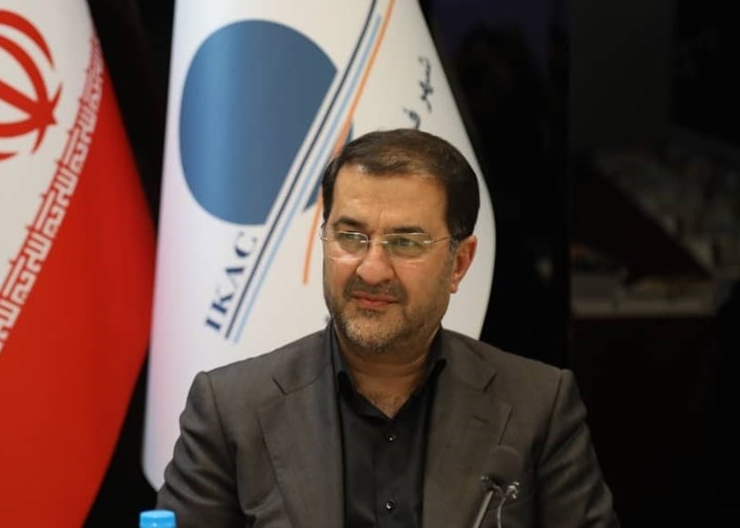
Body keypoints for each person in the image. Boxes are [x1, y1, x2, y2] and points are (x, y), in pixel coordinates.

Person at [156, 129, 619, 527]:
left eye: (405, 242)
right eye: (350, 236)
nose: (372, 269)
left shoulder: (539, 407)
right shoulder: (230, 411)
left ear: (459, 263)